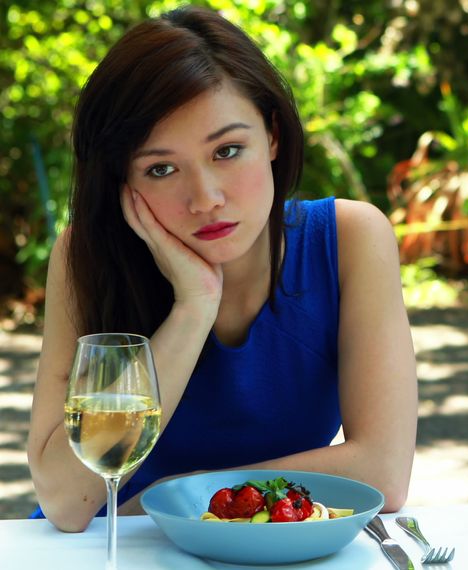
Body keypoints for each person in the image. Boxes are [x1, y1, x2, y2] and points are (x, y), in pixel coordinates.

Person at [27, 6, 417, 532]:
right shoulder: (86, 257)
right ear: (122, 178)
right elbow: (66, 500)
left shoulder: (349, 240)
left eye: (228, 150)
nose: (206, 199)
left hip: (274, 550)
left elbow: (382, 472)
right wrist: (193, 307)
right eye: (161, 168)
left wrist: (183, 495)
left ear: (273, 136)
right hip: (113, 549)